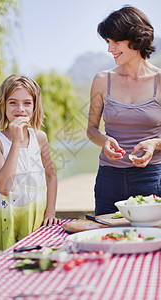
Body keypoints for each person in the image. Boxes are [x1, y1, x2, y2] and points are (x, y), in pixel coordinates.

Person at [0, 74, 61, 259]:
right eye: (13, 102)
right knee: (4, 277)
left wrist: (50, 211)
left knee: (35, 272)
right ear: (2, 106)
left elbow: (51, 176)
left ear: (35, 107)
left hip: (34, 220)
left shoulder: (40, 138)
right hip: (6, 222)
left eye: (27, 103)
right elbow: (4, 187)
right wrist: (17, 142)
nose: (20, 109)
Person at [87, 5, 161, 216]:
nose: (110, 49)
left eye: (115, 42)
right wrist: (104, 141)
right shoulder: (102, 80)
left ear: (136, 39)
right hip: (109, 179)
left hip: (152, 178)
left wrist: (155, 143)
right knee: (107, 241)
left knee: (150, 241)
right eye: (108, 42)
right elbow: (91, 130)